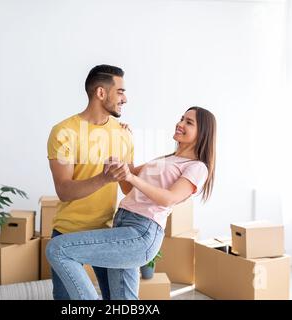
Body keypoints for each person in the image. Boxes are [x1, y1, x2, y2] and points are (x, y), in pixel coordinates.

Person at [46, 106, 216, 300]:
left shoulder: (197, 167)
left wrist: (131, 177)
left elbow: (169, 198)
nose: (180, 124)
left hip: (141, 232)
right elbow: (126, 182)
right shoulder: (168, 159)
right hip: (123, 225)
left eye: (189, 122)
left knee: (57, 249)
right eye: (182, 118)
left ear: (202, 132)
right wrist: (124, 141)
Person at [46, 64, 134, 300]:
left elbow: (128, 187)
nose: (125, 98)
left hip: (106, 236)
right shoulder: (64, 132)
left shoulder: (123, 134)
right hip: (67, 235)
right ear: (101, 93)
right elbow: (64, 190)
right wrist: (105, 177)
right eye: (121, 91)